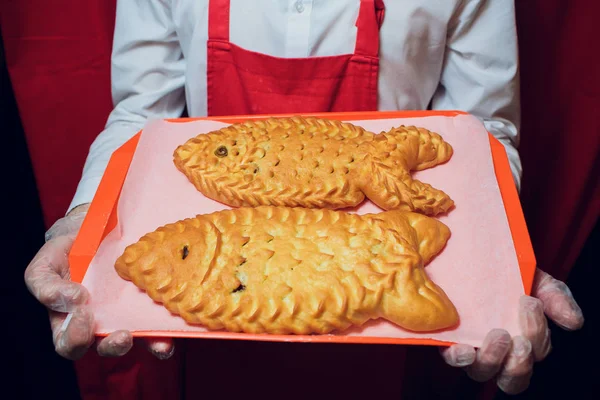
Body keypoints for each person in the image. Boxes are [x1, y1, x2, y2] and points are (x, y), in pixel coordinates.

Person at [24, 0, 584, 397]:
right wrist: (85, 219)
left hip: (399, 362)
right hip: (203, 354)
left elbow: (482, 130)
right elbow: (142, 115)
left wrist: (496, 256)